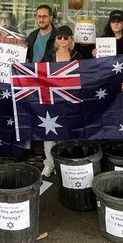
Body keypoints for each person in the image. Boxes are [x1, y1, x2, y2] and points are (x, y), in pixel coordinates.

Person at [39, 25, 83, 177]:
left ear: (71, 39)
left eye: (66, 37)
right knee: (49, 131)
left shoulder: (77, 56)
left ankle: (63, 163)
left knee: (66, 132)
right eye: (59, 37)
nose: (63, 40)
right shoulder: (49, 55)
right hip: (51, 99)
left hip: (70, 100)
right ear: (56, 40)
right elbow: (37, 72)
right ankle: (49, 164)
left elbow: (88, 74)